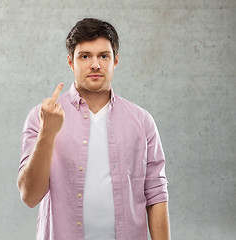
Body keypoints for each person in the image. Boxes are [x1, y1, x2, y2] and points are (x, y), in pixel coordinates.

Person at [17, 18, 170, 240]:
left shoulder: (142, 121)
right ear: (71, 62)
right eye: (85, 56)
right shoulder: (42, 117)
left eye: (103, 56)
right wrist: (48, 133)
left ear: (115, 60)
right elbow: (30, 197)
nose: (95, 64)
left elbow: (156, 193)